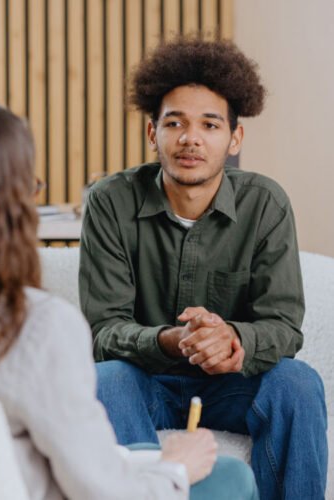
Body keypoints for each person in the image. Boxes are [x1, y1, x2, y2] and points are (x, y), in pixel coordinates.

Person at [0, 102, 259, 500]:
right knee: (231, 477)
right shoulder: (37, 326)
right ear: (15, 205)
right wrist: (177, 466)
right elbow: (102, 492)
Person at [79, 38, 328, 499]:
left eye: (209, 125)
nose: (190, 138)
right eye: (175, 123)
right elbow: (105, 331)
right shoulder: (110, 202)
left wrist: (233, 339)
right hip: (145, 380)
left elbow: (283, 326)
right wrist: (171, 341)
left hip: (233, 385)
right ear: (153, 133)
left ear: (234, 138)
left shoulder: (265, 204)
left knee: (297, 384)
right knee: (107, 379)